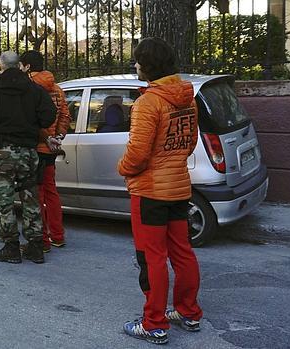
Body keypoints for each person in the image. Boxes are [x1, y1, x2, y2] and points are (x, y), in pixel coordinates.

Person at [118, 37, 202, 345]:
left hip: (150, 192)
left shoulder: (149, 102)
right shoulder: (187, 98)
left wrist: (123, 169)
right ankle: (189, 312)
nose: (136, 65)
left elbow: (137, 154)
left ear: (148, 65)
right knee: (182, 252)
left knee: (152, 257)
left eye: (138, 60)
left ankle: (154, 323)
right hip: (179, 187)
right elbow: (189, 143)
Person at [0, 51, 56, 264]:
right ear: (19, 66)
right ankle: (35, 246)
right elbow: (49, 115)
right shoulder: (34, 89)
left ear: (1, 65)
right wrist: (31, 124)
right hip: (28, 152)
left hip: (2, 152)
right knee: (31, 198)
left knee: (4, 200)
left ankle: (11, 246)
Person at [19, 50, 70, 253]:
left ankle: (43, 240)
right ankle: (57, 236)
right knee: (51, 192)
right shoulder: (57, 89)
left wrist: (45, 138)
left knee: (36, 195)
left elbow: (29, 119)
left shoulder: (28, 90)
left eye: (22, 66)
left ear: (27, 67)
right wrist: (58, 137)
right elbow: (65, 114)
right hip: (51, 150)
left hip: (35, 147)